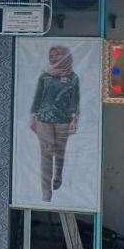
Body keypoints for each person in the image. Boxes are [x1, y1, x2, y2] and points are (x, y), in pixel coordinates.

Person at [29, 45, 79, 202]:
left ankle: (57, 176)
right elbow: (38, 96)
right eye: (51, 55)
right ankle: (46, 193)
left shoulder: (72, 77)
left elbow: (75, 99)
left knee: (60, 152)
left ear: (64, 56)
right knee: (46, 154)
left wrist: (74, 118)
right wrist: (33, 115)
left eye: (57, 55)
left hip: (63, 120)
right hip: (44, 120)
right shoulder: (44, 76)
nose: (53, 58)